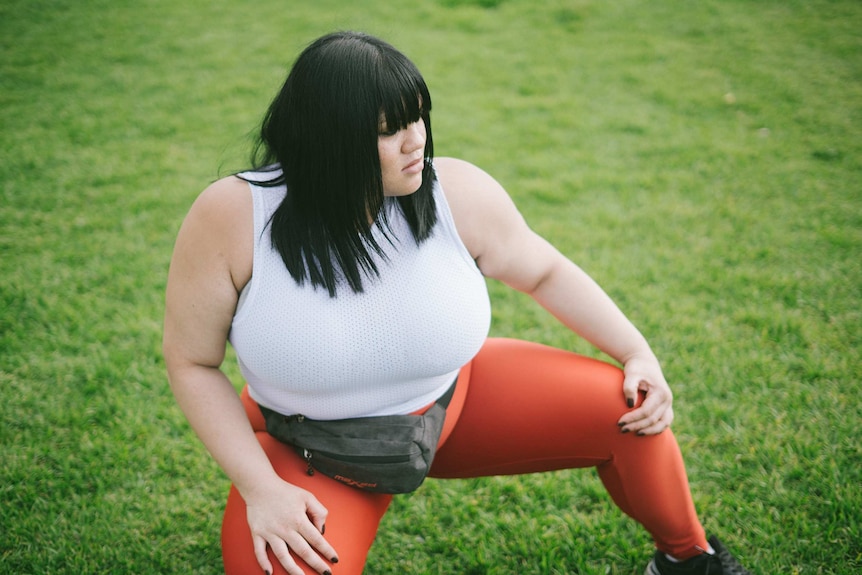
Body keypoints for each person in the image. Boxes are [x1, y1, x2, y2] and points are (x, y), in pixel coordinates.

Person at [162, 31, 752, 575]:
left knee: (629, 408)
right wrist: (262, 487)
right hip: (314, 446)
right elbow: (192, 361)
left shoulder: (455, 191)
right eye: (389, 129)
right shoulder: (235, 216)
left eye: (419, 116)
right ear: (328, 140)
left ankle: (688, 561)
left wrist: (638, 352)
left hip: (453, 402)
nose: (416, 140)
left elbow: (544, 271)